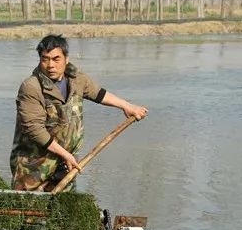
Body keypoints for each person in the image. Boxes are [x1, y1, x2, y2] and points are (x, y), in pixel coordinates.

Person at [10, 34, 148, 191]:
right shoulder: (31, 87)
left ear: (66, 59)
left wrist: (126, 106)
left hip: (65, 163)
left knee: (62, 210)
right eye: (45, 59)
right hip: (34, 165)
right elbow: (35, 130)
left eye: (56, 59)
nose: (50, 65)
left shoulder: (76, 79)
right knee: (30, 211)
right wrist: (66, 155)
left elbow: (98, 93)